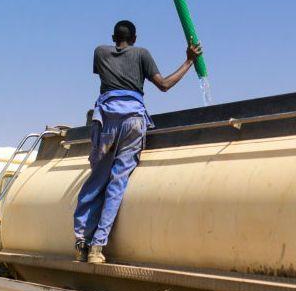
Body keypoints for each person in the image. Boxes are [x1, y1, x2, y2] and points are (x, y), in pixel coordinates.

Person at [73, 20, 202, 263]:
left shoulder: (100, 52)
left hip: (105, 120)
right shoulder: (142, 54)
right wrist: (189, 61)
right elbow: (164, 85)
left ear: (114, 37)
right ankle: (97, 249)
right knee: (117, 182)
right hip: (132, 120)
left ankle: (81, 242)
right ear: (135, 38)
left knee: (96, 180)